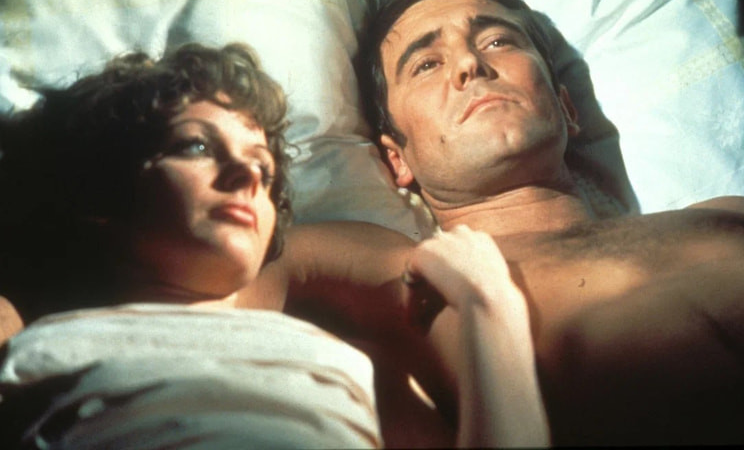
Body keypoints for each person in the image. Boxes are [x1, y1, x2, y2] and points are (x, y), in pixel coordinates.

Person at [276, 0, 744, 445]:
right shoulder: (408, 276)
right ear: (398, 158)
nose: (469, 63)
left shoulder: (738, 217)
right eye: (426, 64)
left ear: (567, 108)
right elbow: (239, 272)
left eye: (497, 41)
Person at [0, 42, 548, 448]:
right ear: (99, 193)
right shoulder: (39, 350)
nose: (245, 174)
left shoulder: (342, 363)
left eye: (263, 169)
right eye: (196, 146)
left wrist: (490, 305)